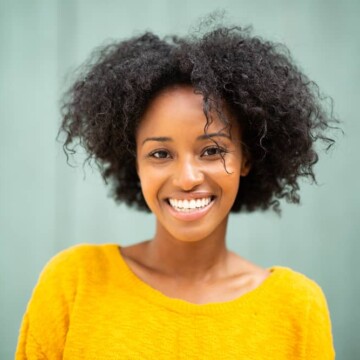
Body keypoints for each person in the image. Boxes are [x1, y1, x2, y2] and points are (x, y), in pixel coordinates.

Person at [16, 24, 336, 359]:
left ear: (247, 158)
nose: (186, 178)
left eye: (212, 151)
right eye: (160, 154)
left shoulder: (297, 307)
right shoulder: (74, 283)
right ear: (135, 163)